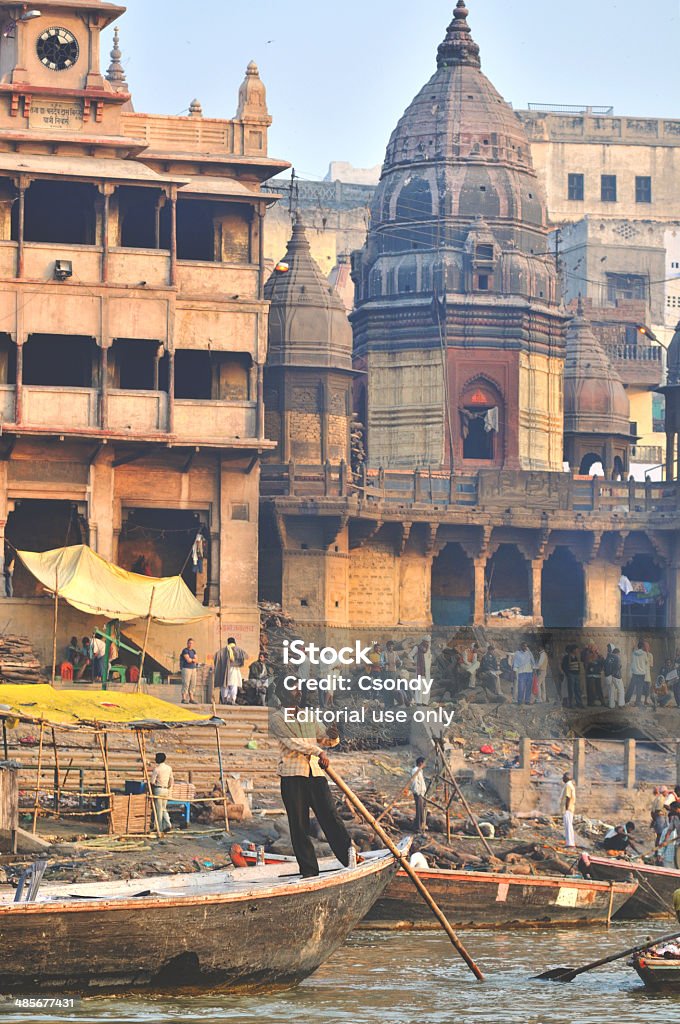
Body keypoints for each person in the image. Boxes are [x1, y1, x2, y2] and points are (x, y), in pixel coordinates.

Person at [270, 687, 353, 878]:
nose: (299, 693)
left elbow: (323, 737)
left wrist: (333, 736)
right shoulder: (276, 718)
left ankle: (349, 858)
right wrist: (319, 752)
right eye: (293, 690)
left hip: (315, 773)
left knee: (331, 817)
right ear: (282, 694)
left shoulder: (309, 715)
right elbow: (293, 742)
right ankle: (309, 872)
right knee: (299, 826)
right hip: (292, 776)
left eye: (299, 689)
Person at [150, 752, 174, 832]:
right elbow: (171, 779)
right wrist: (168, 787)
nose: (155, 759)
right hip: (166, 789)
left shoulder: (157, 769)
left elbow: (152, 782)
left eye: (156, 758)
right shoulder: (169, 768)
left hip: (158, 789)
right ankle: (168, 824)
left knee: (159, 809)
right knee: (164, 808)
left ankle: (159, 828)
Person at [512, 642, 535, 706]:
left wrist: (533, 670)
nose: (525, 647)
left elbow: (533, 662)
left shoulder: (529, 653)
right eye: (524, 646)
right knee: (521, 688)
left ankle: (527, 701)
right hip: (521, 673)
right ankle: (520, 701)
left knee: (528, 688)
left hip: (529, 672)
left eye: (526, 646)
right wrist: (514, 673)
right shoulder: (517, 653)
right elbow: (515, 664)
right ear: (521, 646)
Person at [628, 640, 651, 706]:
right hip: (641, 674)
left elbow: (632, 662)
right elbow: (647, 662)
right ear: (642, 646)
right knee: (639, 688)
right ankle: (638, 702)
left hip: (635, 673)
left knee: (631, 687)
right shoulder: (644, 654)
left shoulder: (634, 653)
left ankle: (626, 700)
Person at [410, 638, 432, 705]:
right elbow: (410, 655)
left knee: (426, 686)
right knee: (419, 686)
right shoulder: (417, 647)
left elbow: (429, 658)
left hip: (427, 671)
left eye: (428, 642)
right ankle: (418, 701)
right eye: (426, 642)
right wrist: (413, 662)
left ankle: (425, 702)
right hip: (420, 669)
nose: (427, 643)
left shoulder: (428, 649)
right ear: (423, 641)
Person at [410, 756, 427, 832]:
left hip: (421, 793)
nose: (425, 764)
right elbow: (414, 783)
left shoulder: (420, 771)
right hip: (418, 793)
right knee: (419, 810)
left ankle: (421, 825)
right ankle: (418, 827)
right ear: (420, 763)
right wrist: (417, 793)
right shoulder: (415, 770)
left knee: (422, 809)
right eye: (424, 763)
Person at [179, 638, 199, 704]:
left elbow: (197, 660)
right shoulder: (185, 651)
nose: (190, 644)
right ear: (187, 643)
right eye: (189, 643)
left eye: (192, 643)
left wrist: (192, 660)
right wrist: (193, 660)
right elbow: (188, 660)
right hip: (186, 668)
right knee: (186, 683)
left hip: (193, 669)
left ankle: (191, 698)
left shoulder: (193, 651)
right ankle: (184, 698)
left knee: (193, 684)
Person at [560, 772, 577, 848]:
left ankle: (570, 843)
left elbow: (568, 797)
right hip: (570, 808)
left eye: (563, 777)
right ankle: (570, 842)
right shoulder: (570, 785)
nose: (562, 778)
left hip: (568, 809)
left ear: (567, 777)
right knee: (568, 825)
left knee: (568, 825)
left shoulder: (568, 785)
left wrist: (566, 809)